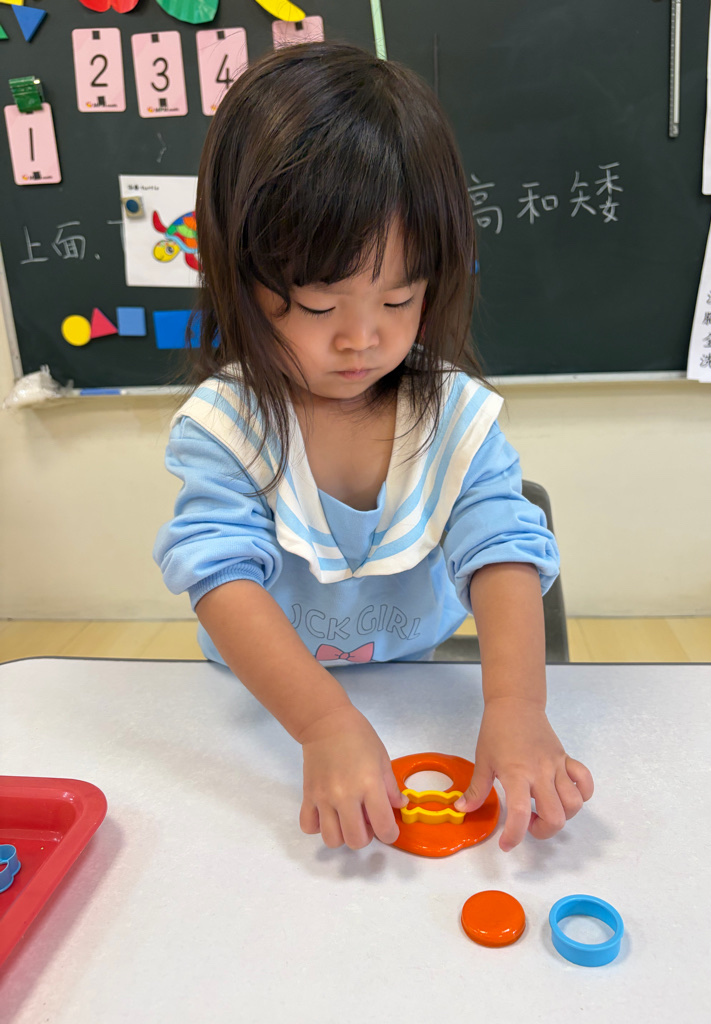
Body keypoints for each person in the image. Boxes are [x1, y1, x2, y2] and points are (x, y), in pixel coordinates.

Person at [154, 42, 593, 855]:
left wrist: (517, 707)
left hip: (411, 680)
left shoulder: (454, 416)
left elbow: (500, 545)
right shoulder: (228, 426)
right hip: (264, 705)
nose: (362, 338)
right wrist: (324, 723)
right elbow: (218, 575)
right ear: (240, 277)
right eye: (321, 306)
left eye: (399, 298)